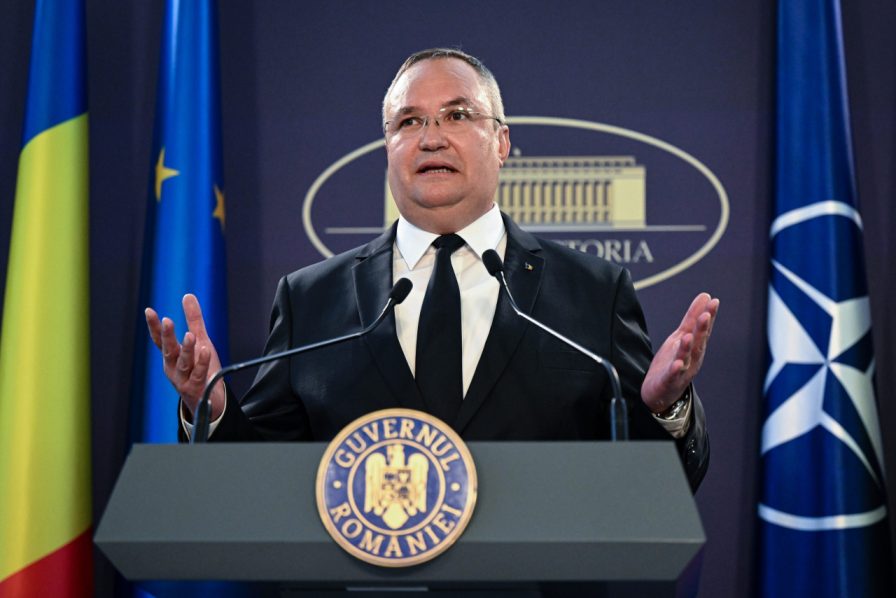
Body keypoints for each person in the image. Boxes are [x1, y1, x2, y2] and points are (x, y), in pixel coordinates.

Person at [145, 48, 718, 489]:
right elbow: (260, 479)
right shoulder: (310, 298)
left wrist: (665, 408)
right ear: (387, 149)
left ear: (502, 142)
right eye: (408, 122)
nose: (431, 138)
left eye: (457, 115)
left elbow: (660, 484)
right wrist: (211, 409)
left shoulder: (593, 291)